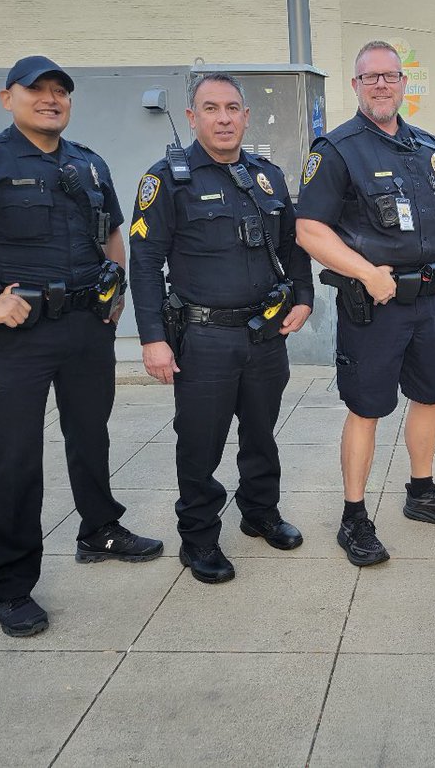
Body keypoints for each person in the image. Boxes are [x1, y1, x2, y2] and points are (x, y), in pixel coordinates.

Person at [0, 56, 163, 637]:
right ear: (7, 98)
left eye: (59, 92)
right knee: (13, 459)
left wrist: (114, 287)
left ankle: (100, 530)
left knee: (91, 437)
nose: (50, 99)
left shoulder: (89, 165)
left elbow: (114, 231)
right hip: (19, 336)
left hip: (85, 330)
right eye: (36, 90)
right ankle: (9, 586)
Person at [128, 73, 313, 584]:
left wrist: (304, 296)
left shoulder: (268, 176)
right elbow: (143, 264)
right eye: (211, 108)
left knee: (260, 434)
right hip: (204, 339)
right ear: (193, 117)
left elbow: (293, 244)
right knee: (200, 443)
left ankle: (260, 512)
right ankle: (199, 538)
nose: (224, 118)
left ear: (246, 116)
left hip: (265, 335)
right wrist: (153, 339)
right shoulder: (167, 179)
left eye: (233, 108)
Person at [296, 40, 435, 567]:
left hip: (430, 302)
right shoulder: (337, 149)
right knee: (367, 409)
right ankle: (354, 517)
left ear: (403, 84)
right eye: (370, 77)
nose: (380, 84)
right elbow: (309, 230)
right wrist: (365, 272)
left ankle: (421, 492)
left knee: (430, 396)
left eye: (390, 76)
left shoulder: (427, 146)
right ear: (355, 86)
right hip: (374, 305)